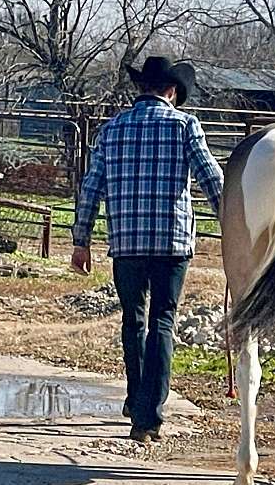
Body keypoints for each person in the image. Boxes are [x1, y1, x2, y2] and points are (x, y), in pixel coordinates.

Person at [71, 56, 223, 443]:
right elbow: (210, 178)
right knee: (163, 323)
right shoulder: (185, 125)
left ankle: (136, 399)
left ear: (143, 87)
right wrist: (234, 221)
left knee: (132, 319)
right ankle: (149, 416)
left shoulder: (112, 129)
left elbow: (92, 187)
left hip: (127, 242)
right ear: (171, 91)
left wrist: (81, 240)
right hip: (171, 242)